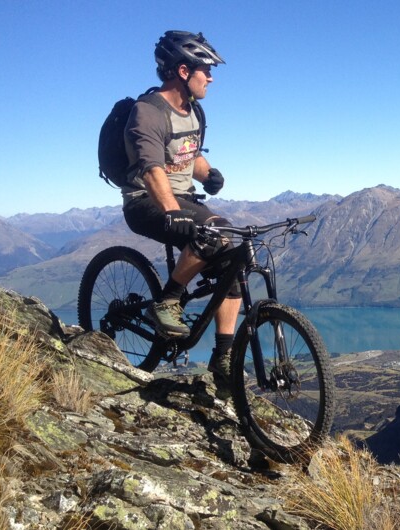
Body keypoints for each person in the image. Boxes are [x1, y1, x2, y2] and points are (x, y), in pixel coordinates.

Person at [120, 30, 238, 387]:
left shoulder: (193, 111)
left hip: (182, 199)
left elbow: (188, 154)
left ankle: (223, 357)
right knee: (213, 234)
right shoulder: (148, 112)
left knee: (233, 257)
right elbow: (151, 167)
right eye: (206, 69)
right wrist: (172, 212)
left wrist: (208, 174)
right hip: (147, 203)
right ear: (183, 71)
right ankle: (167, 301)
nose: (212, 77)